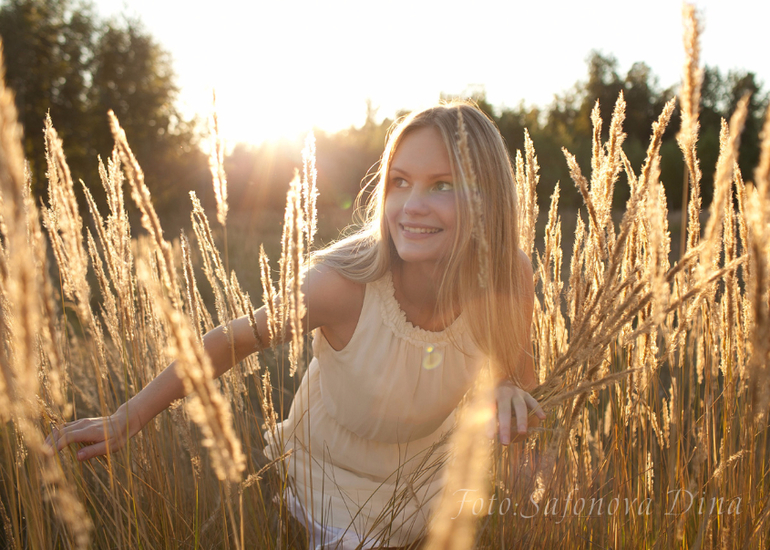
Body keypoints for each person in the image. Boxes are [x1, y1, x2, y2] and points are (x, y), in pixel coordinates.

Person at [47, 101, 545, 549]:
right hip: (334, 476)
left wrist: (507, 388)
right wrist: (127, 417)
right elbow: (229, 340)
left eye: (442, 185)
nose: (412, 204)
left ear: (489, 200)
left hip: (430, 475)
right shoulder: (341, 286)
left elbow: (520, 374)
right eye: (400, 181)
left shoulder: (506, 274)